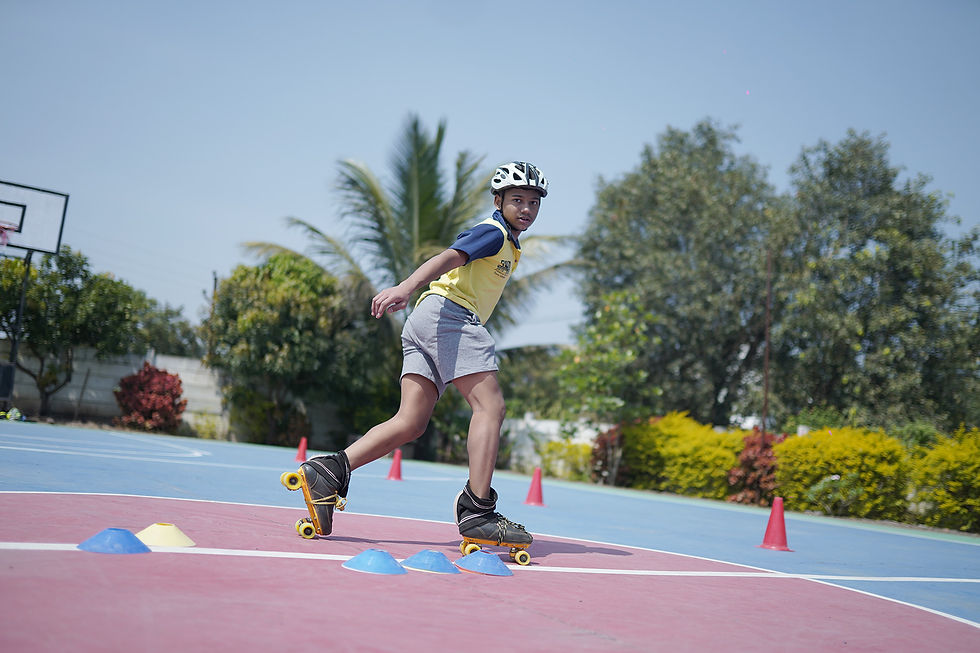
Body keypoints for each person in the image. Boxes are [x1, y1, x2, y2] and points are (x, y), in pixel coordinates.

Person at [298, 161, 549, 547]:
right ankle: (478, 511)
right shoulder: (494, 232)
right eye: (518, 200)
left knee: (411, 422)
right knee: (490, 407)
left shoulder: (510, 243)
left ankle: (329, 470)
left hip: (427, 320)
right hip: (450, 315)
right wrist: (406, 286)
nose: (527, 209)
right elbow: (450, 256)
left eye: (534, 202)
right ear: (498, 201)